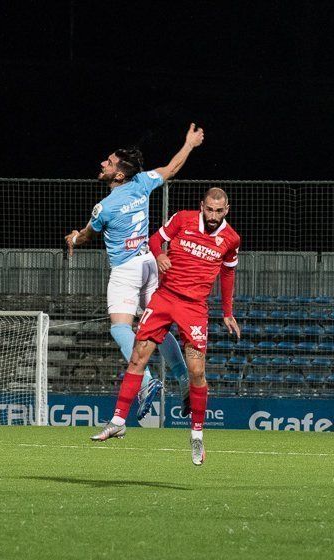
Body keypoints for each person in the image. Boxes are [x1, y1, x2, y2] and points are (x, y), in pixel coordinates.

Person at [90, 188, 241, 466]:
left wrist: (228, 312)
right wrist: (158, 255)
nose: (212, 215)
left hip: (194, 307)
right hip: (164, 298)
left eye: (218, 211)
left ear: (227, 210)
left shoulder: (230, 239)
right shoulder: (182, 219)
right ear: (202, 206)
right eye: (209, 209)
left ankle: (196, 435)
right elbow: (155, 240)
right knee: (138, 356)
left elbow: (228, 272)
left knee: (197, 371)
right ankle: (118, 420)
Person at [64, 124, 203, 420]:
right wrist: (189, 144)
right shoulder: (142, 182)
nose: (103, 163)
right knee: (158, 326)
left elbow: (87, 236)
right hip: (150, 265)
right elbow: (172, 168)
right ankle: (182, 380)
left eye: (109, 162)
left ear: (118, 175)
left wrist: (73, 238)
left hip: (126, 270)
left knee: (119, 327)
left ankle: (146, 381)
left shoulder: (104, 207)